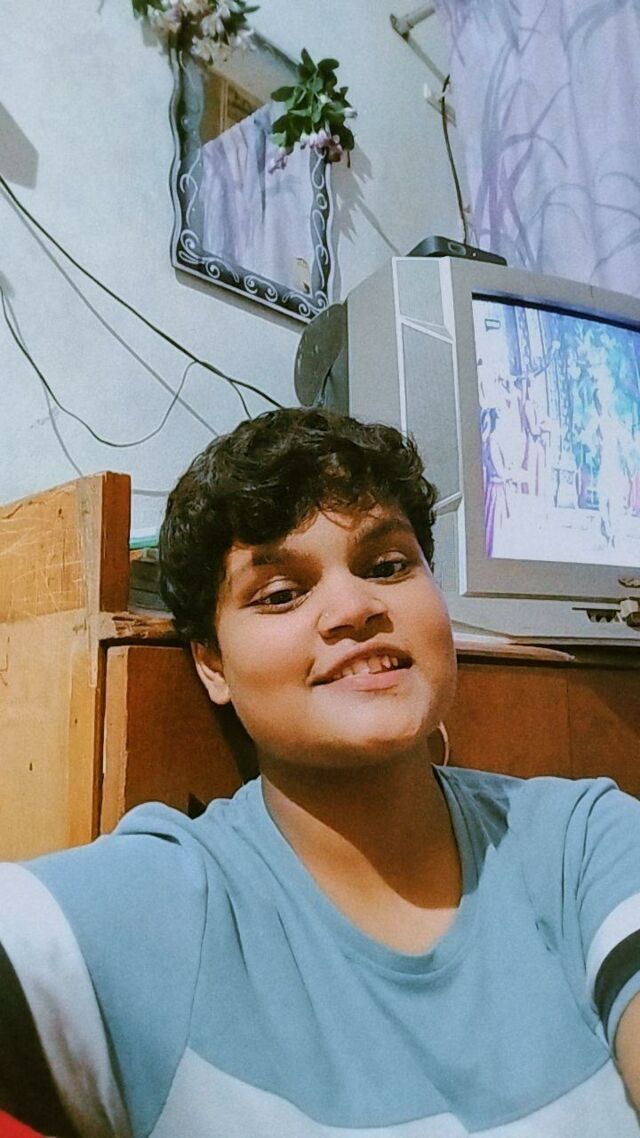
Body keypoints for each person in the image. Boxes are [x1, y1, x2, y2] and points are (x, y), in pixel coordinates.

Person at [1, 407, 640, 1138]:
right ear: (212, 664)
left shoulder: (584, 843)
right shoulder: (161, 907)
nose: (354, 608)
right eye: (280, 593)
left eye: (387, 567)